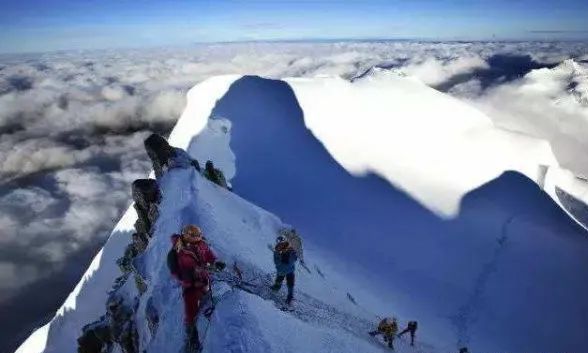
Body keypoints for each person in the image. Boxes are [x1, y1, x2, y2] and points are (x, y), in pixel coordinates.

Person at [169, 225, 224, 351]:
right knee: (191, 308)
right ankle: (191, 336)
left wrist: (216, 262)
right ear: (187, 235)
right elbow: (175, 269)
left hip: (204, 279)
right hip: (190, 285)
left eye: (197, 235)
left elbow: (209, 255)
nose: (196, 237)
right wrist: (188, 275)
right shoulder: (178, 250)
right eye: (193, 235)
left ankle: (211, 321)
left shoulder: (202, 245)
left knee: (208, 297)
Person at [270, 236, 298, 305]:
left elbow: (293, 259)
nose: (281, 245)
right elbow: (277, 262)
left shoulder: (289, 251)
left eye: (282, 243)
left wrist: (289, 255)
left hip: (288, 271)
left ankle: (289, 298)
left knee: (290, 284)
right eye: (279, 243)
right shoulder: (278, 252)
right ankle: (275, 291)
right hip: (283, 271)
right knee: (280, 282)